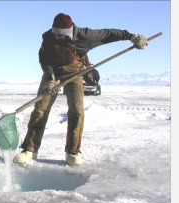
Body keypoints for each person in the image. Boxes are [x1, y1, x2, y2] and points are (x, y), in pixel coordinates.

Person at [13, 12, 147, 166]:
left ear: (69, 31)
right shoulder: (48, 37)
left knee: (77, 111)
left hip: (74, 73)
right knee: (40, 110)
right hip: (52, 74)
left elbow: (110, 34)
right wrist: (50, 77)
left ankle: (72, 152)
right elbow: (43, 58)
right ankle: (30, 150)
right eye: (55, 32)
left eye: (60, 34)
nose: (56, 37)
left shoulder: (86, 36)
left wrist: (132, 37)